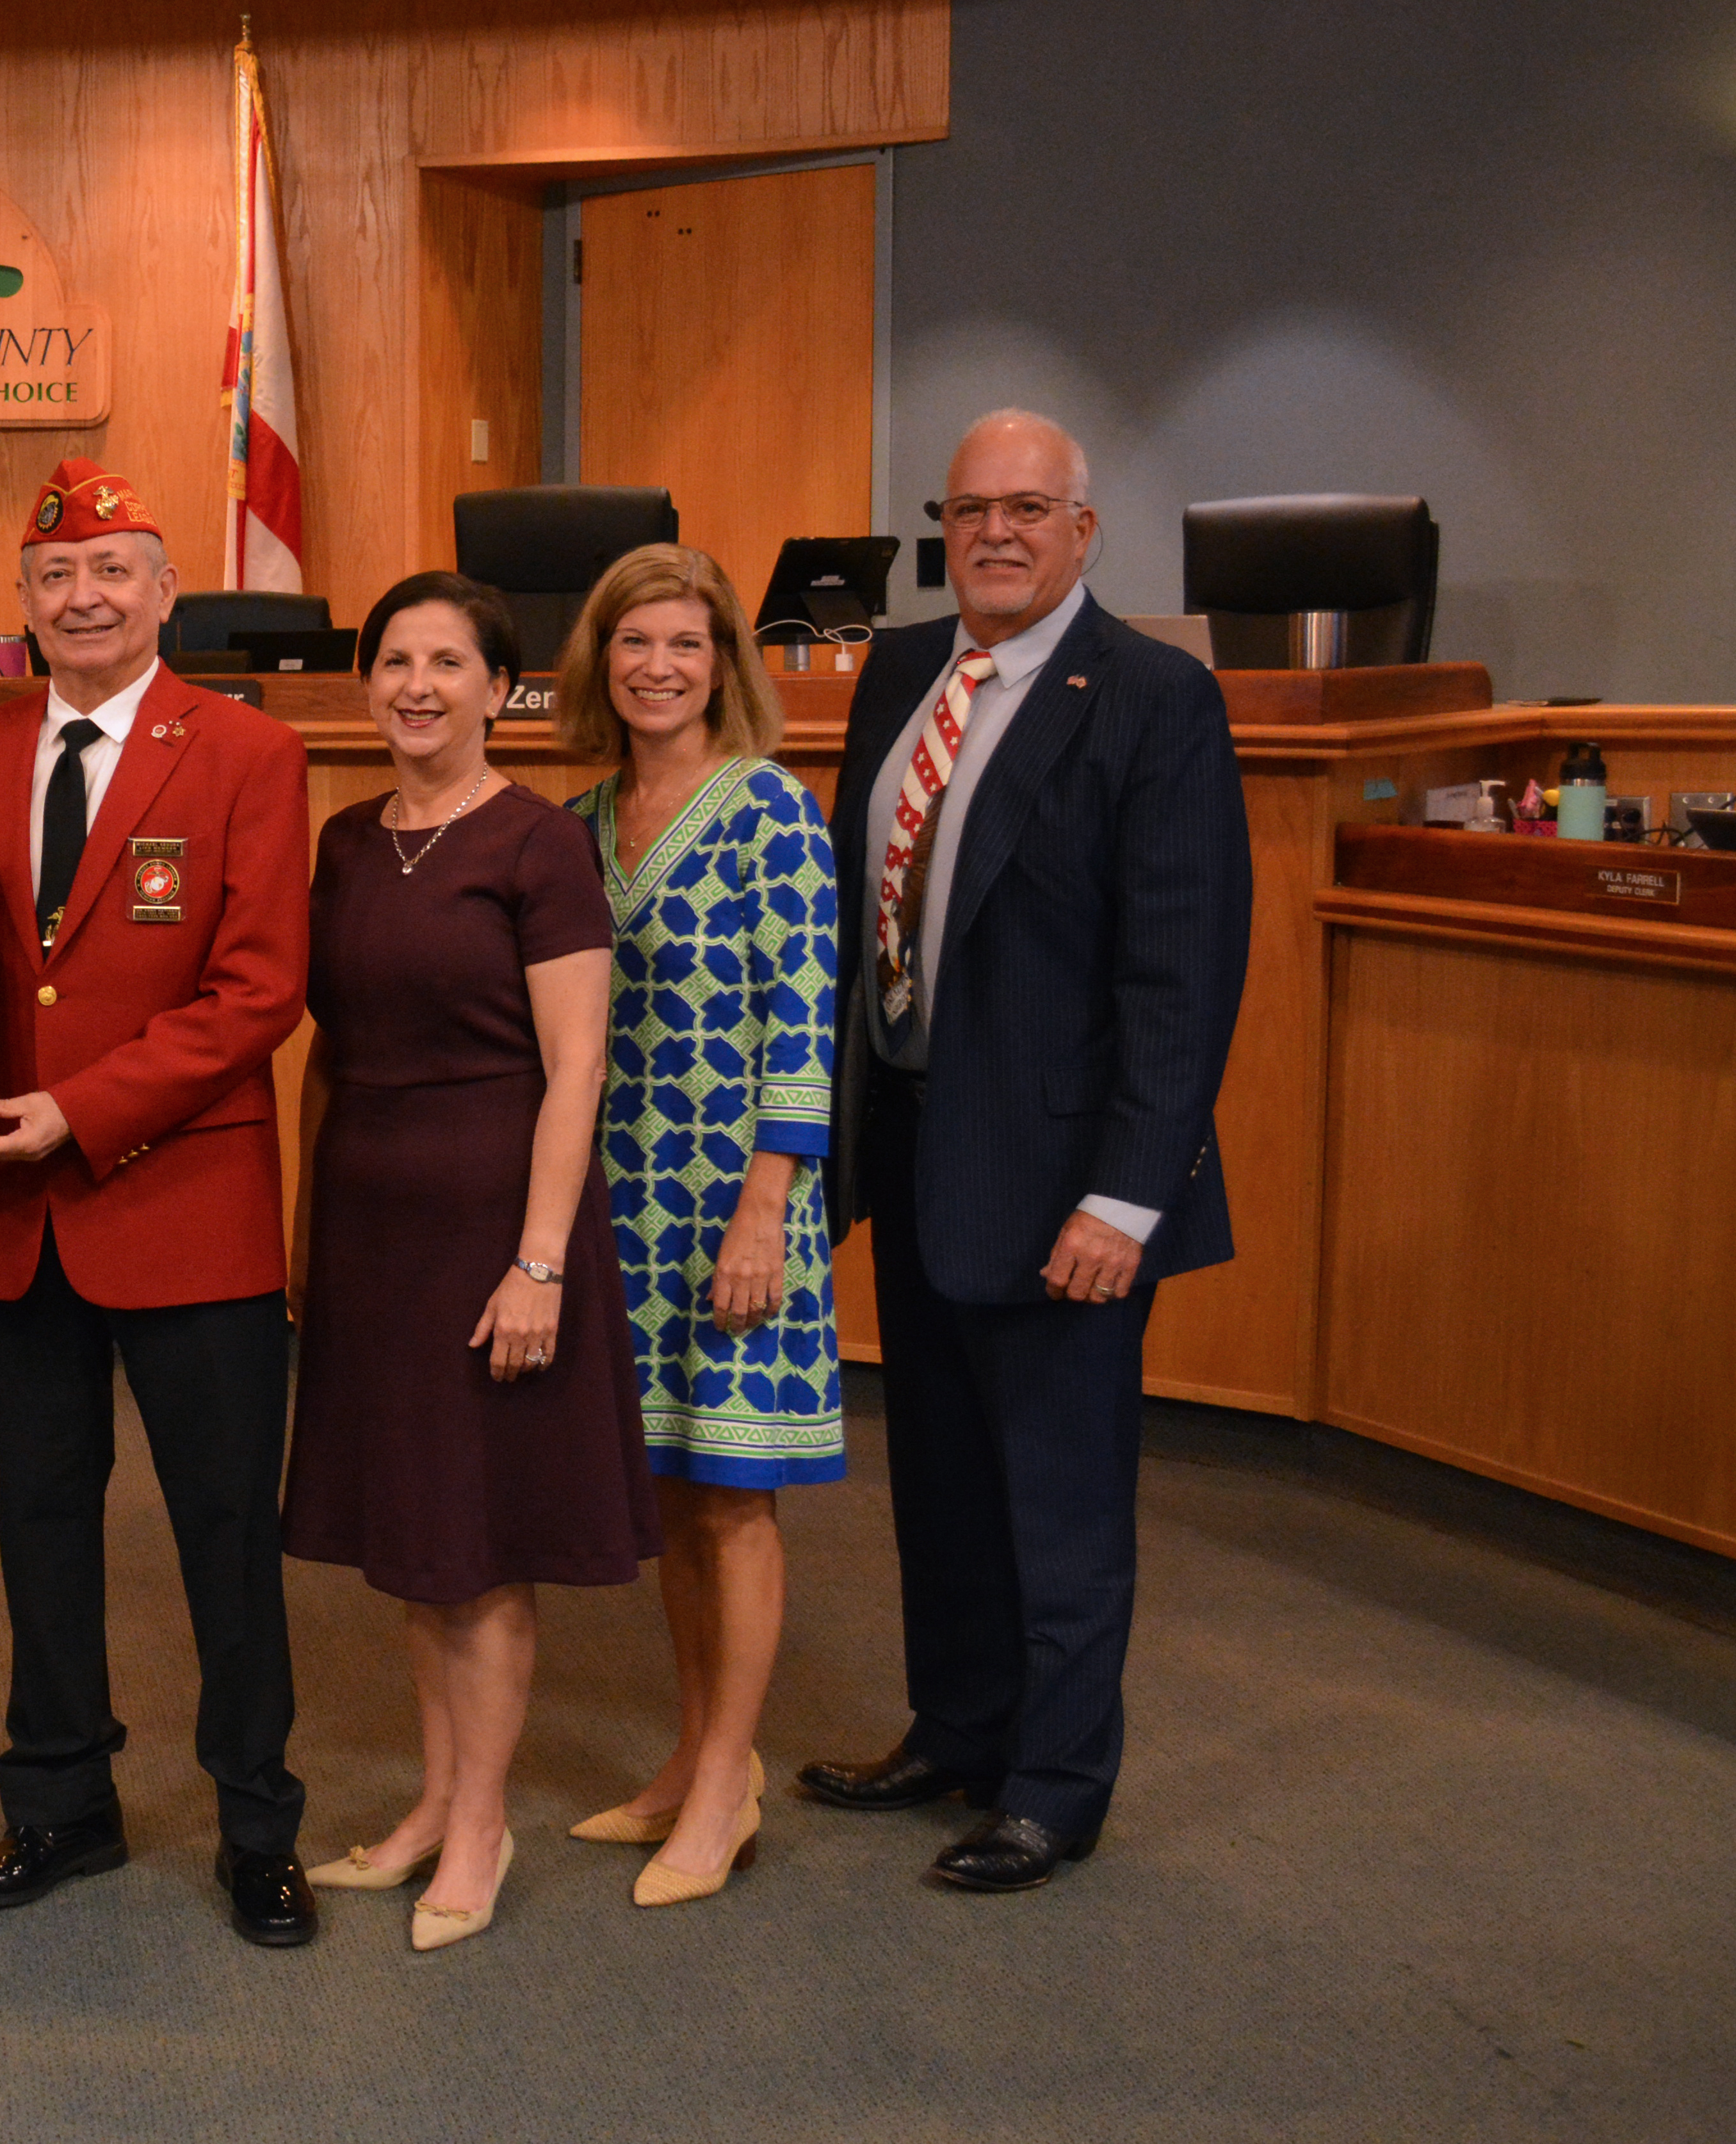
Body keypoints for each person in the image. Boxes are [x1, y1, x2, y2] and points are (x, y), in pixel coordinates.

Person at [801, 409, 1253, 1890]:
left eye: (1027, 510)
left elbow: (1180, 976)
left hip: (1068, 1179)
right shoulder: (899, 669)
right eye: (970, 510)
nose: (995, 533)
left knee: (1057, 1499)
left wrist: (1127, 1195)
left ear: (1082, 528)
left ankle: (1056, 1784)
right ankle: (960, 1728)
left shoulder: (1151, 697)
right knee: (938, 1477)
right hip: (921, 1146)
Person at [0, 457, 319, 1945]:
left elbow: (261, 988)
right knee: (40, 1519)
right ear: (24, 602)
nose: (84, 596)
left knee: (221, 1529)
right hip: (17, 1229)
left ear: (163, 593)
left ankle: (259, 1822)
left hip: (183, 1208)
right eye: (56, 576)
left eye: (113, 571)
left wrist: (84, 1112)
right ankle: (60, 1802)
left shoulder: (246, 752)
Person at [280, 572, 655, 1952]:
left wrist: (540, 1263)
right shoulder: (344, 840)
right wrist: (304, 1230)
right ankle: (436, 1800)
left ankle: (483, 1823)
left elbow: (577, 1068)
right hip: (374, 1230)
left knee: (482, 1550)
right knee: (415, 1538)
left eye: (448, 663)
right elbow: (330, 1048)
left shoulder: (537, 844)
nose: (416, 686)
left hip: (498, 1230)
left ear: (501, 689)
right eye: (393, 662)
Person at [553, 544, 843, 1909]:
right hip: (620, 1198)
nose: (658, 667)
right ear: (597, 661)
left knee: (733, 1497)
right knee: (670, 1495)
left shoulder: (771, 813)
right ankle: (691, 1756)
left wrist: (767, 1209)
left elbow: (806, 1017)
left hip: (737, 1202)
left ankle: (730, 1780)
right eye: (633, 643)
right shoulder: (581, 817)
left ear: (725, 662)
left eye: (685, 643)